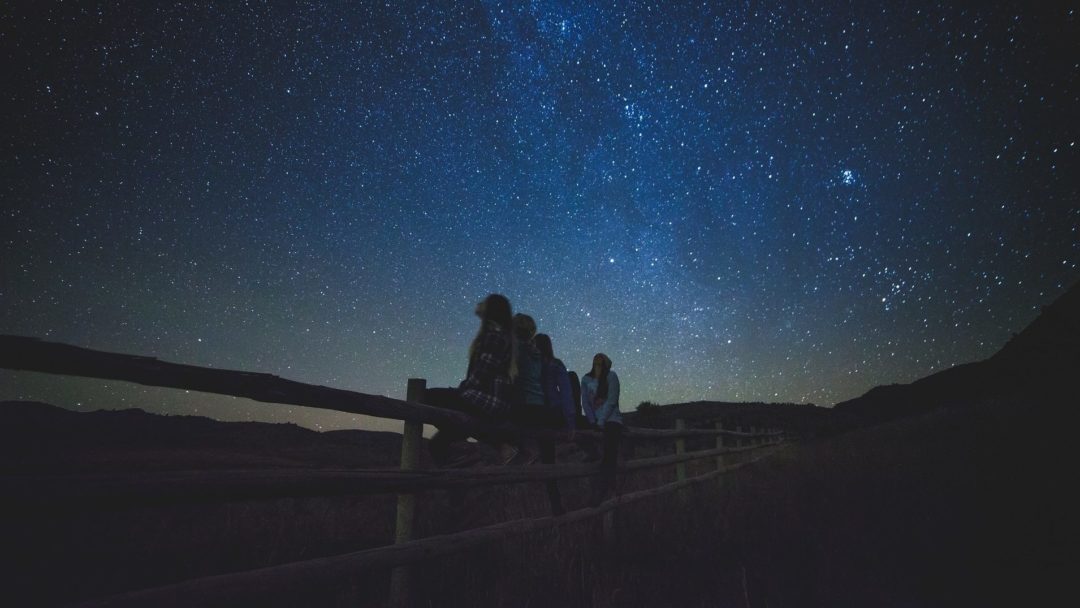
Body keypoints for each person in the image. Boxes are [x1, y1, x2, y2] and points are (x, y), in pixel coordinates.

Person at [424, 294, 517, 467]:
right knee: (437, 445)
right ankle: (467, 458)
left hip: (488, 400)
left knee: (426, 396)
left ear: (492, 309)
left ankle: (495, 444)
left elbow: (482, 372)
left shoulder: (495, 335)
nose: (479, 303)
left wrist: (462, 390)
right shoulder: (498, 334)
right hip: (489, 399)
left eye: (484, 302)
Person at [580, 353, 623, 504]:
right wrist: (592, 421)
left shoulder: (611, 376)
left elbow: (612, 401)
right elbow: (585, 402)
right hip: (595, 420)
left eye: (601, 362)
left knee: (609, 452)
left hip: (611, 419)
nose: (598, 364)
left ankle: (602, 489)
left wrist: (601, 421)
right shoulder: (586, 379)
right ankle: (592, 454)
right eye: (596, 362)